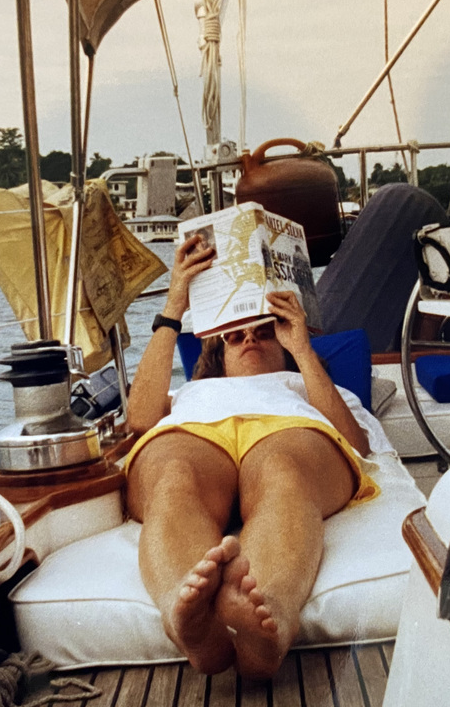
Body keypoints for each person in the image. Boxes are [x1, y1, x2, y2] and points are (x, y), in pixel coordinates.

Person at [125, 234, 391, 679]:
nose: (249, 337)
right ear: (219, 356)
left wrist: (301, 347)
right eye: (234, 336)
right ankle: (185, 616)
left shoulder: (310, 389)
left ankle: (271, 622)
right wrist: (174, 304)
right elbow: (139, 420)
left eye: (264, 332)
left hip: (286, 430)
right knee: (173, 476)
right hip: (196, 432)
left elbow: (357, 444)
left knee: (283, 474)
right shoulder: (189, 393)